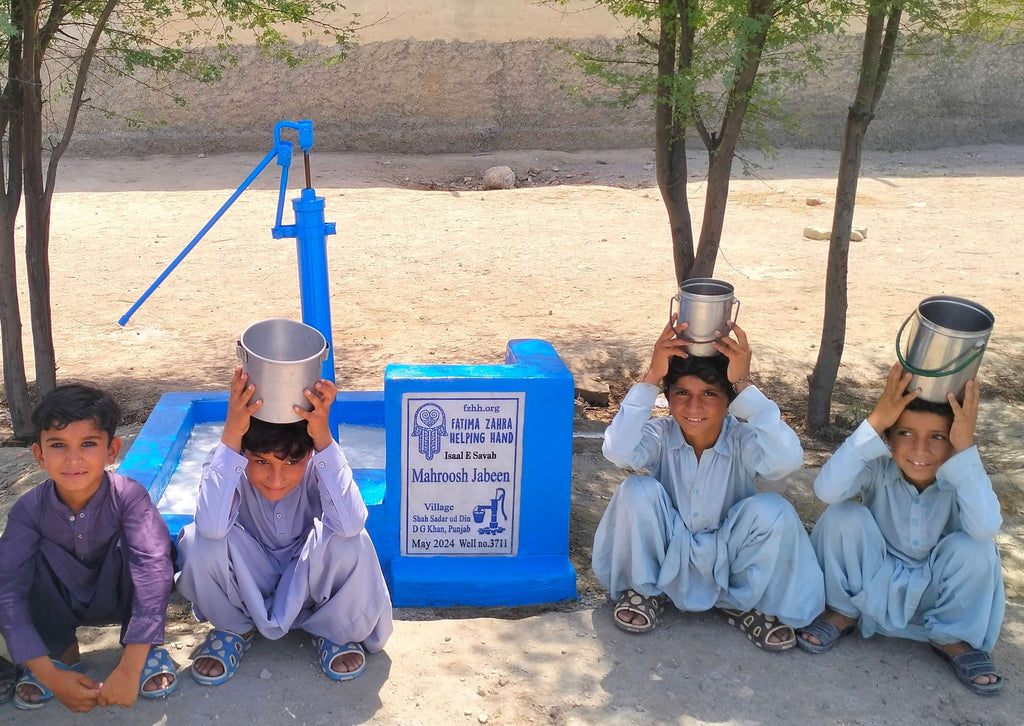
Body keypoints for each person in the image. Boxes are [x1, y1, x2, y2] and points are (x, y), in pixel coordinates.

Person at [592, 318, 823, 650]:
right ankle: (646, 590)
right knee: (635, 491)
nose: (694, 406)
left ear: (728, 401)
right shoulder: (660, 435)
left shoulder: (743, 439)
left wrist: (743, 382)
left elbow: (787, 459)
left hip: (730, 554)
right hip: (669, 548)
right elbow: (617, 450)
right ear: (667, 398)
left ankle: (743, 603)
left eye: (710, 394)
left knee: (774, 510)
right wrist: (652, 376)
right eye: (682, 392)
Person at [176, 367, 393, 685]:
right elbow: (210, 526)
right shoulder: (225, 459)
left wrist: (323, 438)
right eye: (261, 461)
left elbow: (352, 524)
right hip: (249, 580)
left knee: (353, 540)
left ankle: (332, 628)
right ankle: (234, 627)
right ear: (242, 451)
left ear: (308, 452)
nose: (276, 479)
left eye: (291, 463)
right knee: (198, 540)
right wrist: (232, 434)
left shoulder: (321, 459)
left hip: (310, 580)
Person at [797, 364, 1004, 696]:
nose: (920, 451)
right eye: (906, 433)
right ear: (888, 438)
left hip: (935, 595)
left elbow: (985, 527)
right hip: (872, 585)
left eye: (938, 437)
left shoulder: (961, 477)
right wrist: (875, 420)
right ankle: (841, 611)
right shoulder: (879, 467)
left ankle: (952, 638)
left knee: (977, 548)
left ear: (953, 441)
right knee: (842, 516)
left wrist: (966, 449)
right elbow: (827, 491)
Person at [0, 384, 177, 712]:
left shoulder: (129, 497)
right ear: (39, 454)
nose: (73, 458)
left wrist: (130, 667)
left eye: (88, 443)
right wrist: (49, 674)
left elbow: (153, 572)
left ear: (112, 451)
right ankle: (60, 654)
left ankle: (144, 648)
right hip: (63, 597)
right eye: (57, 445)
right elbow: (8, 591)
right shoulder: (28, 510)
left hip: (118, 593)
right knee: (16, 562)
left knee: (153, 551)